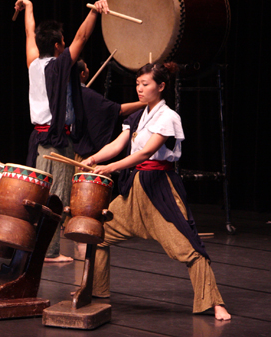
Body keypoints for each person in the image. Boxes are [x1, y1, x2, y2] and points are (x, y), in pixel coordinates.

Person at [80, 62, 231, 320]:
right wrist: (93, 159)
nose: (139, 89)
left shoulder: (168, 117)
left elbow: (146, 152)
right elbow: (118, 145)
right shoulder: (137, 117)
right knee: (98, 232)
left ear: (161, 86)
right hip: (135, 189)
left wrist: (111, 168)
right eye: (138, 84)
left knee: (188, 247)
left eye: (145, 84)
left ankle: (213, 302)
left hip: (159, 189)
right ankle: (97, 291)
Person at [14, 0, 109, 262]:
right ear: (57, 45)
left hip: (39, 139)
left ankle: (34, 246)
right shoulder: (59, 66)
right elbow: (83, 35)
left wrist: (29, 7)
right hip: (56, 140)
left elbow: (28, 32)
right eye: (63, 42)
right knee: (55, 197)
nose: (67, 44)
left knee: (41, 195)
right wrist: (94, 12)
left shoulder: (33, 63)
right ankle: (50, 252)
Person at [74, 59, 145, 163]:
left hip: (69, 151)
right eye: (86, 67)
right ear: (82, 74)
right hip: (82, 155)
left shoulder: (66, 93)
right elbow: (117, 110)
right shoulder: (86, 95)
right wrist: (145, 103)